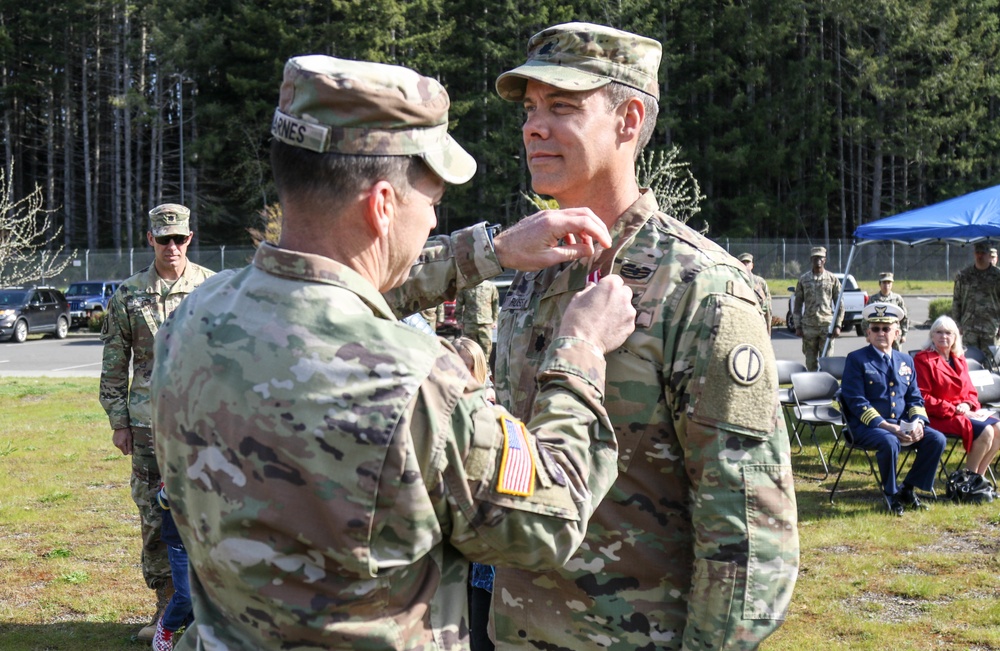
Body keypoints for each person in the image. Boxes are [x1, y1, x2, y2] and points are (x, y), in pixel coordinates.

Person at [151, 54, 638, 651]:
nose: (433, 220)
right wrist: (581, 349)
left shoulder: (193, 320)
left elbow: (328, 287)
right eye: (431, 201)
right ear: (383, 205)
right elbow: (552, 515)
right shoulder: (414, 383)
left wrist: (491, 251)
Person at [490, 23, 798, 650]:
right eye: (529, 109)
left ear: (629, 118)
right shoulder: (536, 268)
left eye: (563, 106)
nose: (533, 127)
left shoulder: (700, 287)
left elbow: (749, 534)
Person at [99, 203, 215, 641]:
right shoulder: (128, 295)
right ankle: (166, 610)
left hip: (202, 425)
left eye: (179, 238)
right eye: (163, 238)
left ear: (190, 238)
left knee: (207, 509)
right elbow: (114, 364)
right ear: (150, 239)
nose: (172, 247)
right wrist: (118, 420)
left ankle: (208, 608)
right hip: (148, 425)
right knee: (153, 514)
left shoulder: (211, 288)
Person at [841, 303, 946, 516]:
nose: (881, 333)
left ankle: (907, 489)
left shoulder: (905, 361)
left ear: (897, 333)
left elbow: (915, 398)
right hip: (867, 427)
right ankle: (890, 494)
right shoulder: (857, 359)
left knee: (937, 439)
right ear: (868, 333)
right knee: (889, 441)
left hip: (901, 425)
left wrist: (917, 423)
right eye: (876, 329)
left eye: (886, 329)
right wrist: (887, 426)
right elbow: (856, 401)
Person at [913, 316, 1000, 478]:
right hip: (938, 415)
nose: (943, 336)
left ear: (955, 337)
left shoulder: (959, 359)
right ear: (932, 335)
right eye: (939, 332)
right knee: (987, 431)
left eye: (948, 333)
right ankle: (968, 478)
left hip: (963, 412)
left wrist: (967, 404)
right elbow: (922, 397)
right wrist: (954, 409)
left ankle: (978, 479)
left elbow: (971, 391)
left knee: (999, 429)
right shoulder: (923, 360)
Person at [452, 336, 496, 651]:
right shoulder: (434, 407)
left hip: (483, 540)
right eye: (457, 366)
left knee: (480, 635)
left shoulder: (492, 409)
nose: (463, 374)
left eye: (469, 366)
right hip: (451, 535)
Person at [152, 484, 194, 651]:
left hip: (205, 545)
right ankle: (166, 628)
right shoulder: (176, 469)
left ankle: (194, 638)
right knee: (186, 595)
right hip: (180, 543)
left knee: (203, 596)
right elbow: (163, 500)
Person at [794, 246, 844, 371]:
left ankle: (825, 388)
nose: (818, 260)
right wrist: (797, 326)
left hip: (826, 326)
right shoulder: (804, 279)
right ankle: (812, 388)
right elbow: (797, 305)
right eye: (815, 258)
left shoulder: (832, 279)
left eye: (820, 258)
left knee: (826, 362)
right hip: (809, 327)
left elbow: (840, 305)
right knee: (810, 363)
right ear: (811, 259)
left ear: (825, 260)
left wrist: (838, 325)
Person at [952, 241, 1000, 352]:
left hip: (991, 327)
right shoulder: (964, 276)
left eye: (983, 253)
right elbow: (956, 301)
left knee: (990, 363)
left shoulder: (997, 276)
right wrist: (956, 324)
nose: (980, 255)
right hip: (969, 328)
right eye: (978, 252)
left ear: (989, 255)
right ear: (974, 254)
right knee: (970, 361)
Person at [455, 280, 499, 360]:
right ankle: (471, 368)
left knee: (487, 348)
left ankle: (486, 369)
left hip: (486, 323)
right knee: (468, 348)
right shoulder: (465, 287)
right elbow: (459, 305)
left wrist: (495, 320)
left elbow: (495, 304)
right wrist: (459, 320)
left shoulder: (490, 286)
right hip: (469, 323)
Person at [870, 271, 908, 349]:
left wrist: (904, 334)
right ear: (880, 284)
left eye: (889, 283)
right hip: (878, 333)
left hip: (894, 334)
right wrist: (868, 335)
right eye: (884, 282)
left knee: (896, 357)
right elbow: (866, 319)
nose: (886, 285)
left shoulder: (897, 299)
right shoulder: (873, 299)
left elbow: (904, 318)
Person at [739, 252, 772, 334]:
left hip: (758, 323)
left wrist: (768, 331)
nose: (746, 265)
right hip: (742, 324)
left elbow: (767, 307)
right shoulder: (736, 281)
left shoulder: (760, 282)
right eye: (743, 262)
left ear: (752, 265)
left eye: (748, 262)